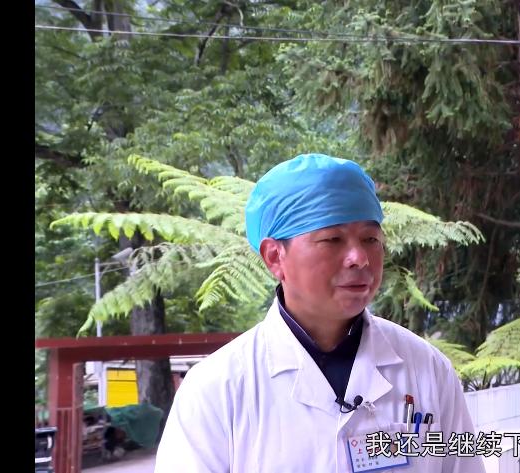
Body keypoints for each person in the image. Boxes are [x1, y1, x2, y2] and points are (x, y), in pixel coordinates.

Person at [155, 153, 486, 473]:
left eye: (370, 238)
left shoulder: (427, 368)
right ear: (274, 257)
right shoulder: (217, 389)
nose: (359, 258)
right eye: (332, 239)